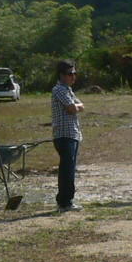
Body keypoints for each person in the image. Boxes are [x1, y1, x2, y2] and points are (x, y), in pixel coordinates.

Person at [51, 58, 85, 212]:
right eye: (70, 73)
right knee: (67, 170)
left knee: (70, 169)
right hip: (64, 135)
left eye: (74, 73)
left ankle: (66, 200)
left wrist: (76, 106)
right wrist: (76, 106)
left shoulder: (68, 90)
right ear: (61, 75)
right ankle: (65, 202)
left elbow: (81, 106)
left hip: (72, 134)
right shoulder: (59, 90)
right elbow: (72, 108)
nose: (73, 76)